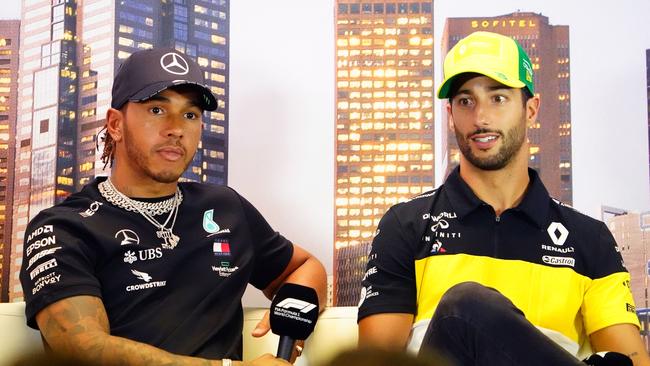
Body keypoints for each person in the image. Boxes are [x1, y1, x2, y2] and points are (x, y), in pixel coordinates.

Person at [19, 47, 327, 366]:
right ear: (115, 124)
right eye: (156, 110)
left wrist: (293, 315)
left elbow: (303, 267)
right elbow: (85, 350)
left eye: (190, 115)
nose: (176, 128)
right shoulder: (62, 227)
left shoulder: (224, 207)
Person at [357, 31, 650, 366]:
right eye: (466, 101)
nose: (481, 118)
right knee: (463, 309)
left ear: (531, 110)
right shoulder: (405, 225)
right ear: (450, 113)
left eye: (498, 98)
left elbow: (631, 360)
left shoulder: (589, 238)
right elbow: (374, 362)